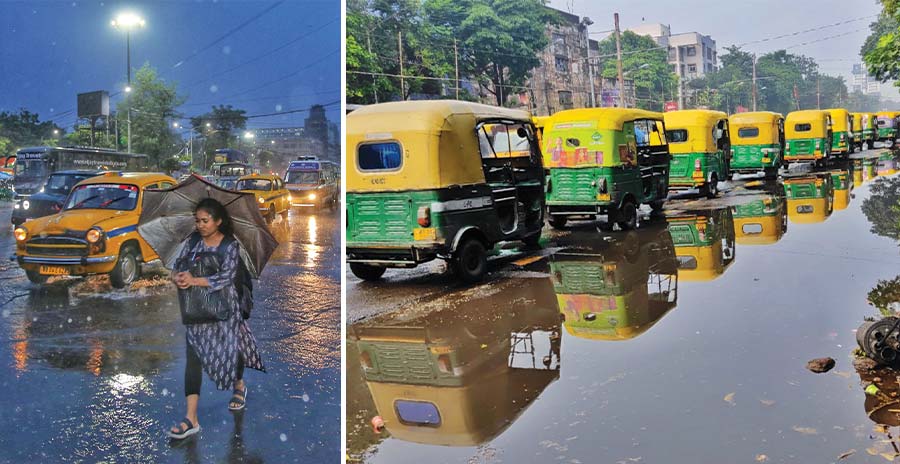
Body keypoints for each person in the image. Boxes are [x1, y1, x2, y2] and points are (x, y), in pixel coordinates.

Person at [168, 197, 265, 440]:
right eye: (197, 220)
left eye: (205, 220)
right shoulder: (192, 242)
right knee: (194, 359)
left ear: (218, 221)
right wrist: (178, 277)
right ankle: (191, 418)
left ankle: (239, 386)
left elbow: (226, 277)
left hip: (224, 310)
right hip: (196, 310)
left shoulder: (229, 246)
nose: (200, 225)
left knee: (232, 350)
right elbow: (179, 264)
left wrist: (195, 280)